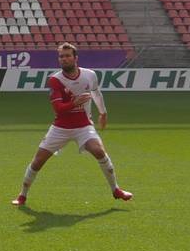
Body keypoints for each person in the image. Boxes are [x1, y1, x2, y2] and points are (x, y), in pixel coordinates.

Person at [12, 42, 134, 208]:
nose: (64, 59)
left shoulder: (89, 75)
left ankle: (116, 190)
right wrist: (75, 103)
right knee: (38, 162)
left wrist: (103, 113)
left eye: (68, 55)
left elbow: (96, 93)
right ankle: (22, 195)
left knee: (99, 151)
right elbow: (58, 109)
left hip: (83, 125)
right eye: (61, 56)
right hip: (60, 127)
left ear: (75, 58)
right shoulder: (55, 80)